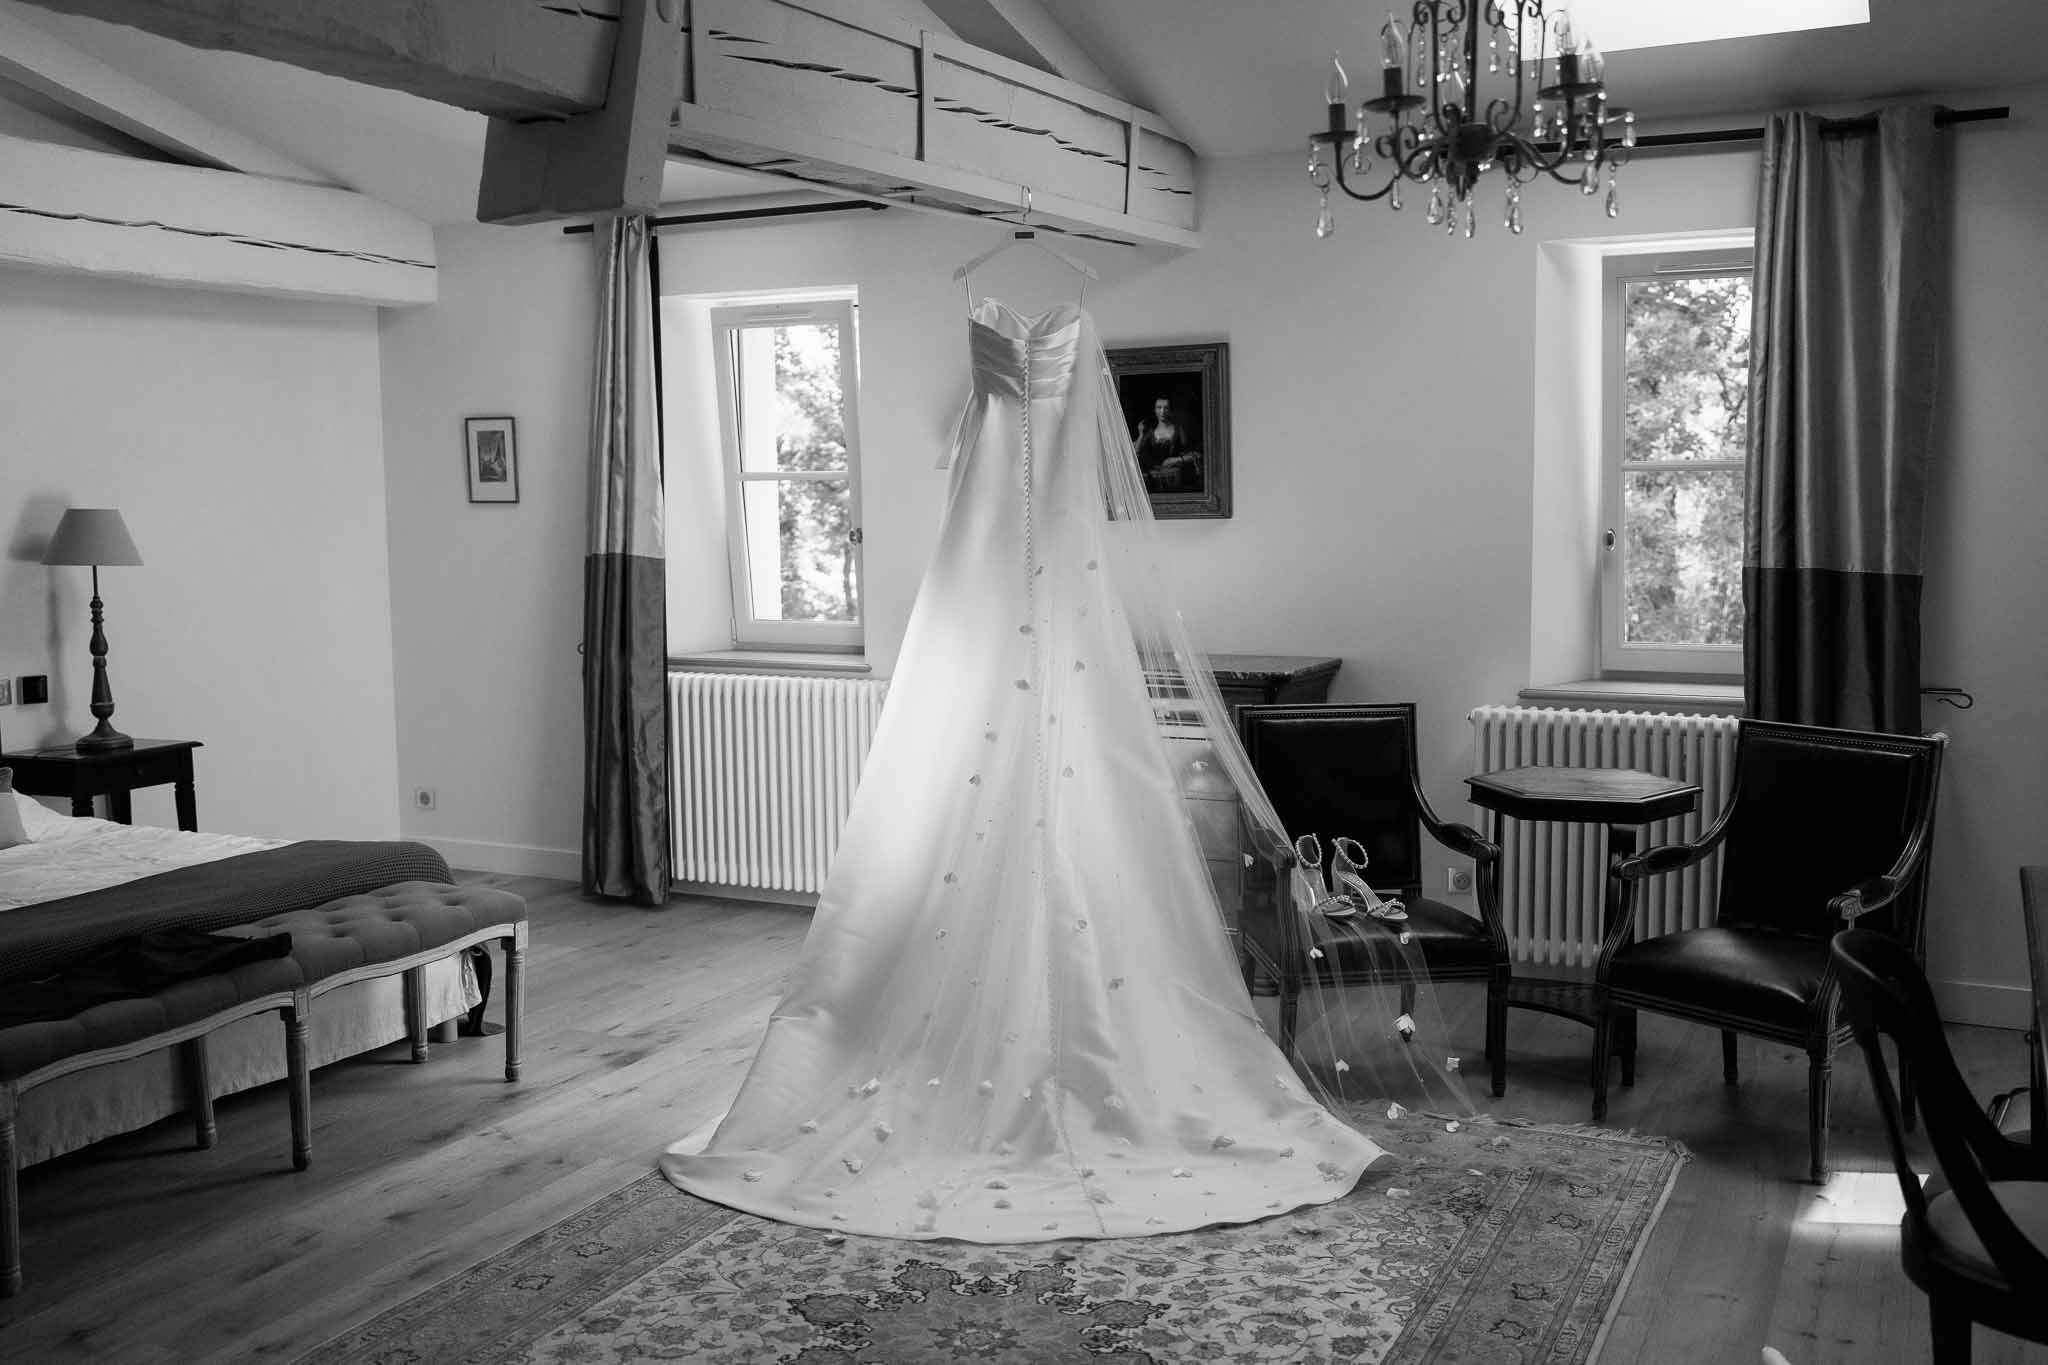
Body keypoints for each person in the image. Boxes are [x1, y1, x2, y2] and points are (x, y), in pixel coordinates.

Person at [661, 294, 1464, 1244]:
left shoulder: (1066, 335)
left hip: (1056, 578)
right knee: (962, 820)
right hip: (990, 559)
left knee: (1086, 838)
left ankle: (1088, 1068)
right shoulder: (1013, 329)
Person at [1132, 395, 1200, 492]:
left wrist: (1176, 460)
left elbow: (1193, 454)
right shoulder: (1150, 432)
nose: (1162, 411)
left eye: (1166, 408)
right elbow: (1136, 453)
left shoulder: (1178, 430)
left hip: (1174, 478)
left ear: (1170, 410)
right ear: (1154, 410)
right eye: (1159, 408)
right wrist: (1141, 434)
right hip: (1154, 480)